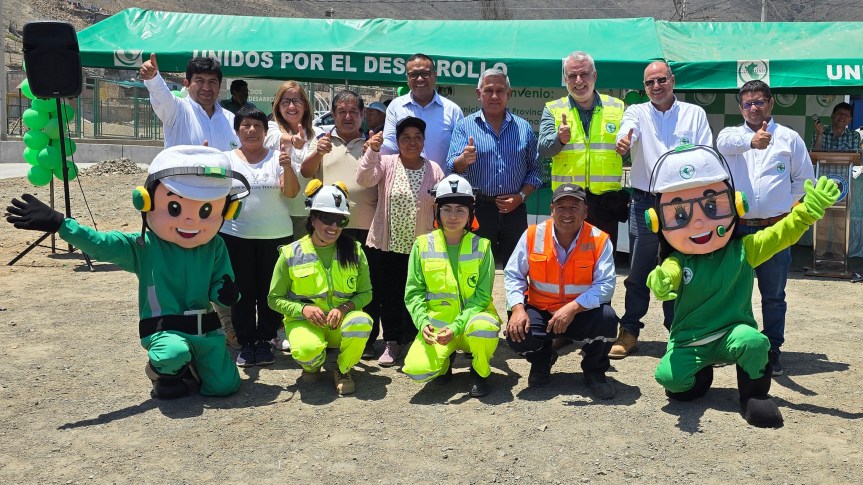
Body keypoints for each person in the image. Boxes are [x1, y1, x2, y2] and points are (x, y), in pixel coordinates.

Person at [6, 145, 250, 399]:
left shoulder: (214, 245)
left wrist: (226, 293)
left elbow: (221, 283)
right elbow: (102, 245)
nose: (190, 221)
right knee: (172, 354)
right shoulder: (143, 245)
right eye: (175, 208)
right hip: (165, 329)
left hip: (206, 331)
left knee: (224, 387)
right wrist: (61, 224)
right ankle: (163, 371)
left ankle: (193, 365)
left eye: (206, 211)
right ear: (144, 201)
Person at [644, 144, 838, 428]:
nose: (699, 220)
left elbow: (780, 234)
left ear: (736, 204)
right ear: (657, 221)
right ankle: (702, 375)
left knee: (755, 342)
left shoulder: (745, 249)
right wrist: (660, 282)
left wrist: (806, 212)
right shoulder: (678, 260)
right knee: (672, 382)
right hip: (691, 339)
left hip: (733, 332)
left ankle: (754, 395)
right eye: (680, 214)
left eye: (712, 206)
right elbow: (667, 277)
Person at [611, 60, 713, 359]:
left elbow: (706, 153)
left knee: (681, 267)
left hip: (684, 204)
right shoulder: (637, 112)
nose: (656, 87)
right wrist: (623, 139)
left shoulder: (694, 114)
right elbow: (627, 129)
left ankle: (679, 332)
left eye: (660, 80)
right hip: (645, 201)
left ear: (672, 80)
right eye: (649, 83)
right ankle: (630, 331)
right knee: (639, 270)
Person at [716, 80, 816, 376]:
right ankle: (737, 345)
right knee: (735, 293)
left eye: (759, 102)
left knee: (773, 295)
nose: (754, 108)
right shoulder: (732, 135)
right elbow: (722, 144)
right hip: (739, 230)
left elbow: (803, 180)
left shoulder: (789, 138)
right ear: (740, 108)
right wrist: (751, 142)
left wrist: (790, 208)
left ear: (771, 103)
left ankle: (772, 349)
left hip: (774, 230)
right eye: (747, 104)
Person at [504, 183, 619, 399]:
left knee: (607, 319)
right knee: (517, 332)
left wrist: (573, 308)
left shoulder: (599, 239)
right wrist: (518, 308)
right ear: (551, 210)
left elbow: (606, 285)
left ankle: (594, 372)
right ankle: (542, 360)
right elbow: (513, 275)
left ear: (585, 211)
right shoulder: (532, 235)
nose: (567, 213)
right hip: (542, 309)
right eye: (561, 207)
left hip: (580, 311)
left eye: (574, 207)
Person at [267, 181, 374, 396]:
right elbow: (274, 299)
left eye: (340, 220)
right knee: (307, 350)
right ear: (313, 218)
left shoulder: (354, 250)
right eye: (326, 218)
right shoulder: (291, 253)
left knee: (362, 323)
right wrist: (302, 310)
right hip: (305, 323)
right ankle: (312, 365)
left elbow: (366, 293)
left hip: (340, 324)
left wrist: (344, 309)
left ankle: (343, 370)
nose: (333, 226)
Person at [402, 174, 501, 397]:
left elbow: (482, 296)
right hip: (438, 325)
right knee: (417, 370)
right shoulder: (422, 245)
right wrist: (422, 322)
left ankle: (480, 372)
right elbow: (414, 292)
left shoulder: (482, 247)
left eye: (460, 210)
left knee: (484, 330)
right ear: (437, 211)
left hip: (472, 322)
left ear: (470, 214)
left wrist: (457, 326)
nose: (453, 216)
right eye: (447, 209)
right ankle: (444, 361)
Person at [357, 117, 445, 366]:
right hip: (388, 245)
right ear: (397, 142)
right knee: (390, 295)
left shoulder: (434, 169)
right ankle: (393, 341)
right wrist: (373, 151)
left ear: (424, 141)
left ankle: (417, 338)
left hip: (420, 248)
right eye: (405, 137)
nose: (412, 142)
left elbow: (440, 206)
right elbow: (364, 179)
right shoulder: (386, 163)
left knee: (418, 296)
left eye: (417, 136)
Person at [304, 90, 381, 359]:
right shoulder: (322, 141)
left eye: (353, 112)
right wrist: (317, 153)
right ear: (333, 114)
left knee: (367, 285)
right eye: (341, 111)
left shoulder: (373, 143)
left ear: (362, 115)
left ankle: (368, 340)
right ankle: (332, 333)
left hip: (368, 227)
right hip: (332, 227)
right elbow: (305, 172)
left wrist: (374, 149)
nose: (347, 116)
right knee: (335, 284)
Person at [221, 106, 300, 367]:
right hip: (236, 235)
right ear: (237, 131)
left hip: (275, 235)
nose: (252, 130)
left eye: (257, 126)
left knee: (271, 290)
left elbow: (290, 193)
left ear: (266, 132)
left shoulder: (279, 157)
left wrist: (288, 168)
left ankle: (265, 340)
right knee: (242, 291)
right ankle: (246, 342)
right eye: (245, 126)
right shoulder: (225, 159)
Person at [448, 68, 541, 266]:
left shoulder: (523, 128)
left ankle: (515, 299)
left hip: (515, 208)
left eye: (500, 91)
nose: (494, 96)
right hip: (478, 208)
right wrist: (464, 159)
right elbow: (452, 166)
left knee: (518, 268)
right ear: (478, 93)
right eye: (488, 90)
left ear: (509, 94)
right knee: (474, 266)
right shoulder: (465, 126)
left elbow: (535, 170)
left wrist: (521, 197)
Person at [538, 51, 629, 252]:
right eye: (572, 76)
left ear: (594, 76)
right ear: (565, 79)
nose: (578, 81)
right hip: (568, 202)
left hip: (606, 203)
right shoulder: (553, 109)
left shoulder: (618, 108)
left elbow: (630, 152)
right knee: (567, 259)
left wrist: (627, 149)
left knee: (602, 263)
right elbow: (543, 149)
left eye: (584, 74)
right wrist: (558, 139)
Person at [381, 53, 463, 174]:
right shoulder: (395, 107)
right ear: (407, 78)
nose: (419, 79)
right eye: (413, 74)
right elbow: (391, 144)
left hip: (441, 187)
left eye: (425, 74)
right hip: (404, 185)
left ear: (435, 76)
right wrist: (377, 147)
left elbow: (458, 153)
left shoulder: (453, 110)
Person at [139, 54, 239, 151]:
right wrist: (153, 78)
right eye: (200, 80)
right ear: (187, 84)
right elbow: (160, 93)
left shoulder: (231, 119)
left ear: (219, 86)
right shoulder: (176, 111)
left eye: (212, 81)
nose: (206, 87)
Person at [266, 81, 321, 239]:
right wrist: (293, 140)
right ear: (277, 106)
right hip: (277, 212)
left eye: (296, 101)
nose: (291, 106)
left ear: (305, 105)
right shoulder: (270, 127)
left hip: (307, 213)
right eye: (285, 102)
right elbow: (274, 138)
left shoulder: (317, 133)